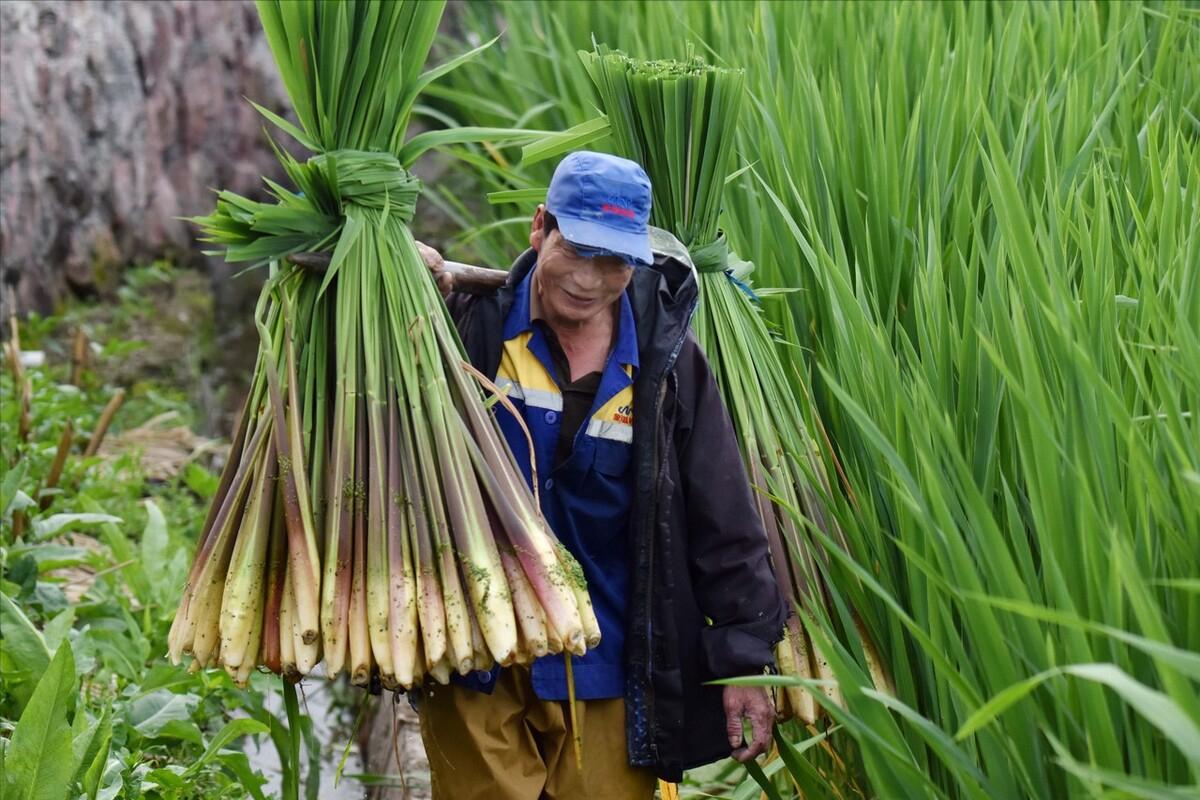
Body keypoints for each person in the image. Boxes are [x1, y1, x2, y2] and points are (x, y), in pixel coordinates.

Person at [414, 151, 787, 799]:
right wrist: (388, 275)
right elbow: (360, 417)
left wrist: (744, 661)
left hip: (610, 661)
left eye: (613, 260)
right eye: (577, 249)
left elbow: (722, 516)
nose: (590, 279)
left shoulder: (665, 366)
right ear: (541, 227)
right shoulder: (470, 327)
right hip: (479, 656)